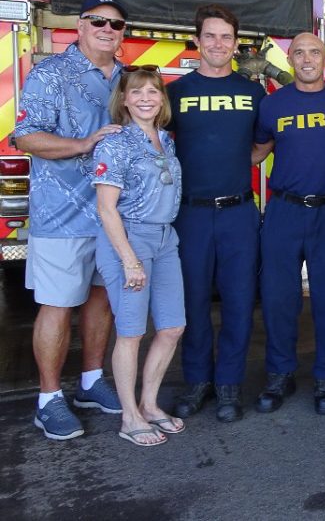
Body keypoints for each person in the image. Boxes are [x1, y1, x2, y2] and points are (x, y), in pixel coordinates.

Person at [15, 0, 128, 440]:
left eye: (116, 24)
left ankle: (90, 382)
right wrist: (84, 145)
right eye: (97, 21)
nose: (107, 29)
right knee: (59, 304)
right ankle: (48, 399)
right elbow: (25, 137)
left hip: (114, 216)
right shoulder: (50, 74)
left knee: (102, 299)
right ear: (80, 26)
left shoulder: (126, 79)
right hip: (62, 214)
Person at [168, 4, 266, 423]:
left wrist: (238, 164)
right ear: (196, 40)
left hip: (238, 214)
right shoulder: (175, 92)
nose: (218, 44)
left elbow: (265, 143)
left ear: (235, 43)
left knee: (239, 302)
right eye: (210, 36)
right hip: (189, 214)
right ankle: (197, 382)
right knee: (191, 302)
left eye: (226, 37)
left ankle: (228, 385)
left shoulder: (253, 93)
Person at [250, 33, 325, 416]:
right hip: (284, 211)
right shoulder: (272, 104)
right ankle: (279, 374)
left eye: (315, 52)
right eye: (300, 53)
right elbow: (256, 153)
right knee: (278, 299)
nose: (307, 59)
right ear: (289, 59)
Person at [93, 65, 185, 446]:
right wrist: (129, 259)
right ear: (124, 99)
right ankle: (129, 416)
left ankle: (149, 404)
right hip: (129, 239)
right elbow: (106, 208)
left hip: (166, 240)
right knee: (131, 333)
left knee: (172, 327)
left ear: (161, 99)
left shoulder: (166, 139)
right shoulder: (114, 142)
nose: (146, 98)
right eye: (137, 92)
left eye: (153, 91)